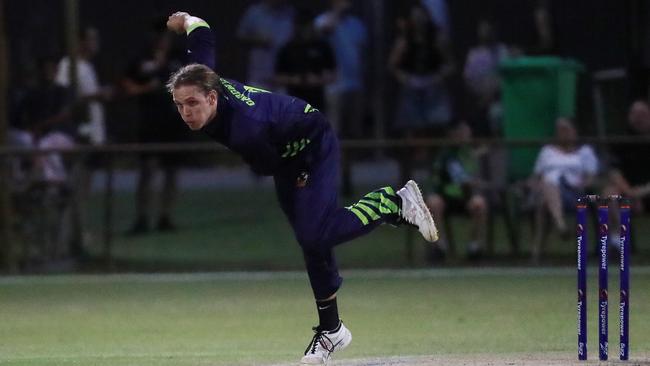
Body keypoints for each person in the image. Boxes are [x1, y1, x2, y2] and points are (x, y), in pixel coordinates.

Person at [165, 12, 438, 364]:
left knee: (314, 235)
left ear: (213, 98)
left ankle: (391, 203)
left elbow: (267, 165)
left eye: (192, 104)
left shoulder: (244, 129)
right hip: (286, 147)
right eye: (179, 105)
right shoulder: (202, 77)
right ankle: (332, 331)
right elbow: (202, 31)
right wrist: (186, 19)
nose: (186, 112)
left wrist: (298, 175)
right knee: (312, 240)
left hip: (311, 144)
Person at [122, 22, 187, 234]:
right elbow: (127, 86)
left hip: (174, 121)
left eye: (165, 35)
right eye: (158, 35)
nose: (161, 39)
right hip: (150, 121)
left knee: (172, 170)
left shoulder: (179, 59)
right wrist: (145, 88)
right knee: (147, 169)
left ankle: (165, 216)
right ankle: (142, 217)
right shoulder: (141, 60)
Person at [529, 117, 599, 263]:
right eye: (559, 130)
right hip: (546, 192)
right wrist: (534, 186)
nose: (563, 133)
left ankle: (538, 250)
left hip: (574, 192)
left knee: (546, 195)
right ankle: (560, 225)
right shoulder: (547, 151)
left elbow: (591, 178)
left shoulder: (584, 151)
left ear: (575, 131)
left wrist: (582, 185)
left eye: (566, 129)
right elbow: (535, 177)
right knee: (546, 190)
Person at [425, 122, 488, 261]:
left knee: (479, 204)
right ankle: (439, 246)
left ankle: (474, 246)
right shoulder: (443, 155)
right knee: (434, 203)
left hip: (466, 196)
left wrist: (472, 185)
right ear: (453, 135)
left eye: (467, 134)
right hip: (445, 197)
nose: (465, 137)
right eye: (462, 134)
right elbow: (436, 180)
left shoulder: (469, 154)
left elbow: (475, 178)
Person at [236, 0, 295, 90]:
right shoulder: (255, 12)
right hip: (259, 76)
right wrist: (257, 40)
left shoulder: (290, 13)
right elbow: (241, 37)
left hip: (285, 79)